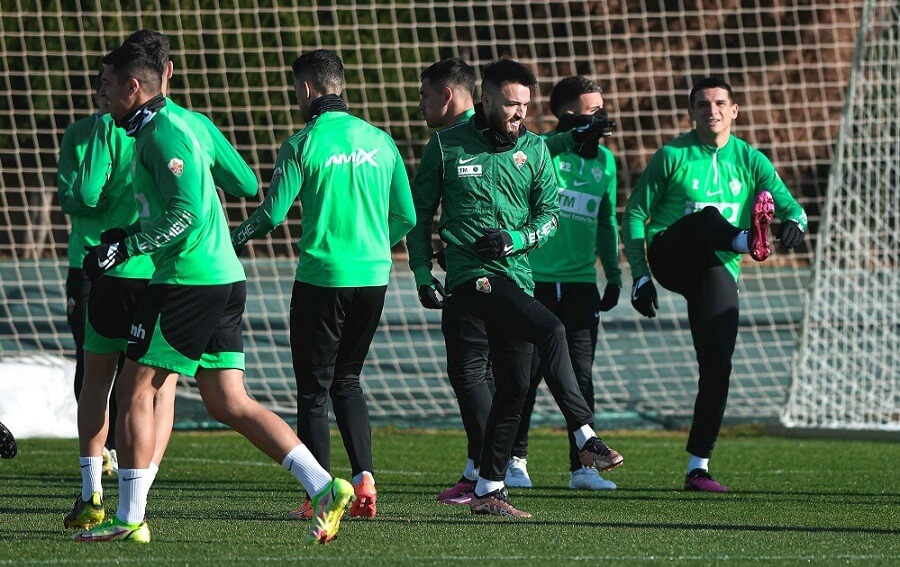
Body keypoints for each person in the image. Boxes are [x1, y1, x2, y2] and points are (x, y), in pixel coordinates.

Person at [73, 40, 353, 545]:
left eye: (108, 87)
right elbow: (186, 204)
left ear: (133, 88)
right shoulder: (162, 130)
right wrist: (126, 234)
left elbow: (188, 215)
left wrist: (126, 247)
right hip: (221, 276)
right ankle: (323, 486)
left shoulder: (164, 133)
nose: (102, 96)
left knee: (136, 389)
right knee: (228, 400)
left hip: (188, 280)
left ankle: (129, 517)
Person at [407, 58, 623, 518]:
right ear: (485, 100)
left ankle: (488, 489)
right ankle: (585, 436)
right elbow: (420, 214)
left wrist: (516, 239)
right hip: (471, 277)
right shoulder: (446, 146)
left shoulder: (537, 151)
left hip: (518, 277)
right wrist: (423, 272)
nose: (518, 113)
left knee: (516, 386)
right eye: (510, 104)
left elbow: (550, 216)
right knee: (552, 330)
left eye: (524, 104)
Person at [231, 49, 415, 521]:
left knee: (313, 389)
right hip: (374, 278)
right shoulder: (381, 140)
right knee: (348, 379)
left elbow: (272, 215)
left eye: (296, 89)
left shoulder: (302, 143)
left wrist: (234, 237)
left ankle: (318, 492)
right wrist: (374, 245)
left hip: (321, 278)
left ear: (308, 89)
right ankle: (364, 477)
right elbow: (409, 217)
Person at [622, 76, 807, 492]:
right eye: (703, 105)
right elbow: (634, 215)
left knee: (718, 364)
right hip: (672, 254)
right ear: (692, 113)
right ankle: (747, 239)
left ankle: (698, 467)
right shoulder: (672, 155)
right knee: (707, 218)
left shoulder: (751, 159)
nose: (712, 110)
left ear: (734, 110)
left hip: (716, 268)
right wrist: (639, 275)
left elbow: (792, 204)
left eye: (720, 103)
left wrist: (795, 221)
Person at [509, 76, 621, 491]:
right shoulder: (539, 150)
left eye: (602, 109)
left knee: (582, 376)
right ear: (568, 114)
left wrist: (613, 274)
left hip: (579, 285)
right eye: (593, 111)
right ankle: (515, 461)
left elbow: (606, 221)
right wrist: (571, 137)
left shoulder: (605, 161)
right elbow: (535, 148)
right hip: (533, 280)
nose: (602, 118)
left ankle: (583, 467)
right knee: (525, 375)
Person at [415, 58, 495, 506]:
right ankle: (488, 467)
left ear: (447, 94)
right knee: (493, 373)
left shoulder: (447, 143)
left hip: (472, 280)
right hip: (519, 276)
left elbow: (418, 214)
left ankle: (488, 473)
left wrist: (424, 271)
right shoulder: (509, 135)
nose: (420, 104)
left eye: (425, 94)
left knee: (470, 372)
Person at [56, 69, 120, 478]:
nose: (103, 93)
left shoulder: (139, 133)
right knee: (89, 359)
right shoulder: (79, 134)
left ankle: (126, 447)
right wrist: (100, 194)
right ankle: (100, 453)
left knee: (134, 363)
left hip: (130, 262)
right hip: (85, 262)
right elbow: (71, 197)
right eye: (100, 86)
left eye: (108, 85)